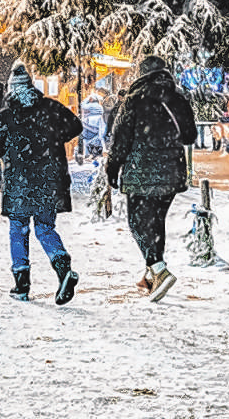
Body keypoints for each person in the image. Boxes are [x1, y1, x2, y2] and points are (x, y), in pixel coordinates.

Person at [0, 64, 83, 305]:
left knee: (18, 230)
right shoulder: (50, 108)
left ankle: (21, 284)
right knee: (45, 227)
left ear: (11, 89)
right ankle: (63, 269)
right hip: (49, 180)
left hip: (19, 182)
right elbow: (76, 126)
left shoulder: (5, 116)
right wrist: (53, 137)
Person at [107, 55, 197, 302]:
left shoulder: (134, 100)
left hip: (140, 172)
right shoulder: (177, 99)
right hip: (172, 172)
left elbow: (120, 138)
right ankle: (150, 275)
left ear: (141, 73)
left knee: (138, 222)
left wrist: (112, 168)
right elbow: (189, 135)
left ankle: (158, 269)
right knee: (155, 223)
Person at [79, 93, 106, 161]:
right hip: (98, 123)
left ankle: (88, 154)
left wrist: (87, 98)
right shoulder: (100, 106)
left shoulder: (89, 105)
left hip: (90, 123)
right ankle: (95, 154)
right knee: (97, 138)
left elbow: (82, 105)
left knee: (86, 138)